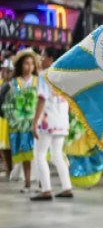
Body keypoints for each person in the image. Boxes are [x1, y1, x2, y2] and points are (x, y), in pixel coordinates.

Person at [31, 47, 74, 201]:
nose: (40, 59)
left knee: (40, 154)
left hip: (47, 120)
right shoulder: (64, 76)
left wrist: (34, 122)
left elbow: (42, 99)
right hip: (61, 120)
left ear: (50, 58)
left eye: (42, 56)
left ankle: (46, 189)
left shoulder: (44, 75)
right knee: (57, 155)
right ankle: (66, 187)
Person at [1, 49, 39, 192]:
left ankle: (42, 183)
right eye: (26, 64)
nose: (29, 67)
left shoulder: (38, 81)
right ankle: (28, 183)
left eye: (31, 64)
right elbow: (8, 103)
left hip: (37, 122)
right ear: (20, 66)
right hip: (21, 123)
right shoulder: (14, 83)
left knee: (39, 154)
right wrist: (13, 116)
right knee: (25, 153)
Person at [0, 58, 14, 177]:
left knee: (8, 145)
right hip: (2, 119)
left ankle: (10, 168)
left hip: (10, 119)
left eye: (8, 71)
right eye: (4, 71)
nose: (5, 74)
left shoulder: (13, 85)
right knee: (3, 146)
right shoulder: (2, 83)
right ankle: (7, 166)